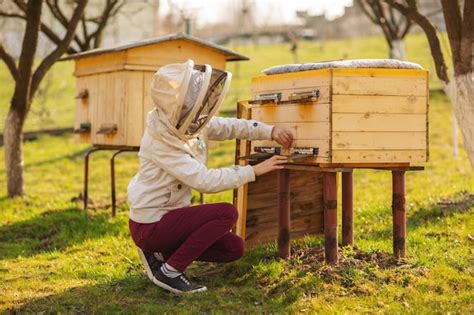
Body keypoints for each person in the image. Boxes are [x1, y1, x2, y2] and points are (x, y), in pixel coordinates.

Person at [127, 60, 294, 294]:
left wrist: (270, 131)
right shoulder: (161, 142)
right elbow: (205, 181)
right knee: (226, 213)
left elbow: (228, 127)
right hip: (151, 224)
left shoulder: (186, 122)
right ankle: (169, 272)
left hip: (171, 216)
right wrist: (254, 171)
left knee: (233, 248)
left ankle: (163, 255)